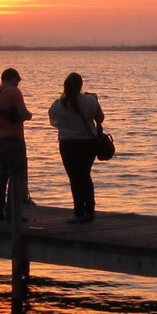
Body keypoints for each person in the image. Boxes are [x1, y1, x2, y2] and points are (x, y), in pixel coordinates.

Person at [48, 72, 106, 222]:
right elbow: (100, 118)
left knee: (74, 178)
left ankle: (79, 212)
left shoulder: (58, 104)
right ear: (80, 85)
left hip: (68, 144)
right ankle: (90, 210)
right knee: (85, 175)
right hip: (88, 143)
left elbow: (53, 122)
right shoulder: (90, 100)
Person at [0, 67, 32, 221]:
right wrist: (29, 115)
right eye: (17, 81)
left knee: (0, 175)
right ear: (13, 79)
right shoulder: (14, 92)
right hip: (14, 138)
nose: (18, 84)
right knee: (17, 175)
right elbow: (23, 113)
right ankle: (13, 212)